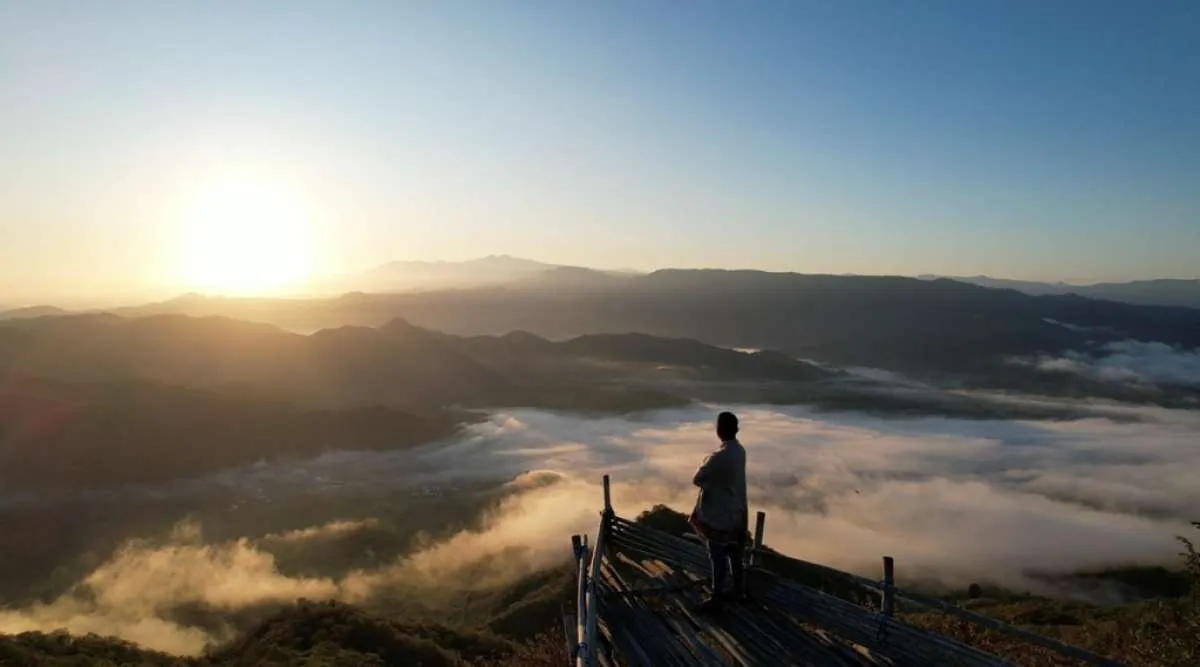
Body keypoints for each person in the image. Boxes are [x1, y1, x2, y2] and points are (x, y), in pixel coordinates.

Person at [689, 411, 748, 609]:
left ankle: (717, 596)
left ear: (720, 430)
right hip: (736, 509)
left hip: (719, 513)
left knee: (717, 555)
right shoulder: (740, 451)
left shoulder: (719, 456)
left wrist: (710, 484)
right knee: (734, 553)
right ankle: (737, 591)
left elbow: (697, 479)